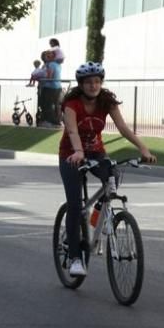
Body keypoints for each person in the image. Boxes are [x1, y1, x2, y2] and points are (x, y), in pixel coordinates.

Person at [59, 62, 156, 277]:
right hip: (71, 155)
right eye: (88, 82)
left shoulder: (106, 101)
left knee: (111, 179)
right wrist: (78, 152)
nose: (93, 86)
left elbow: (122, 128)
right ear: (81, 84)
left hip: (95, 152)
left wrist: (143, 148)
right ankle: (75, 257)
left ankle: (97, 223)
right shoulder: (71, 104)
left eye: (97, 82)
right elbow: (72, 131)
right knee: (75, 205)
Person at [40, 50, 63, 127]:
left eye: (47, 55)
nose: (46, 57)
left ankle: (50, 121)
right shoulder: (58, 65)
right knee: (56, 105)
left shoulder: (50, 65)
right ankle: (57, 121)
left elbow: (49, 77)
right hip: (58, 87)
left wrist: (41, 80)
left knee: (47, 105)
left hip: (50, 88)